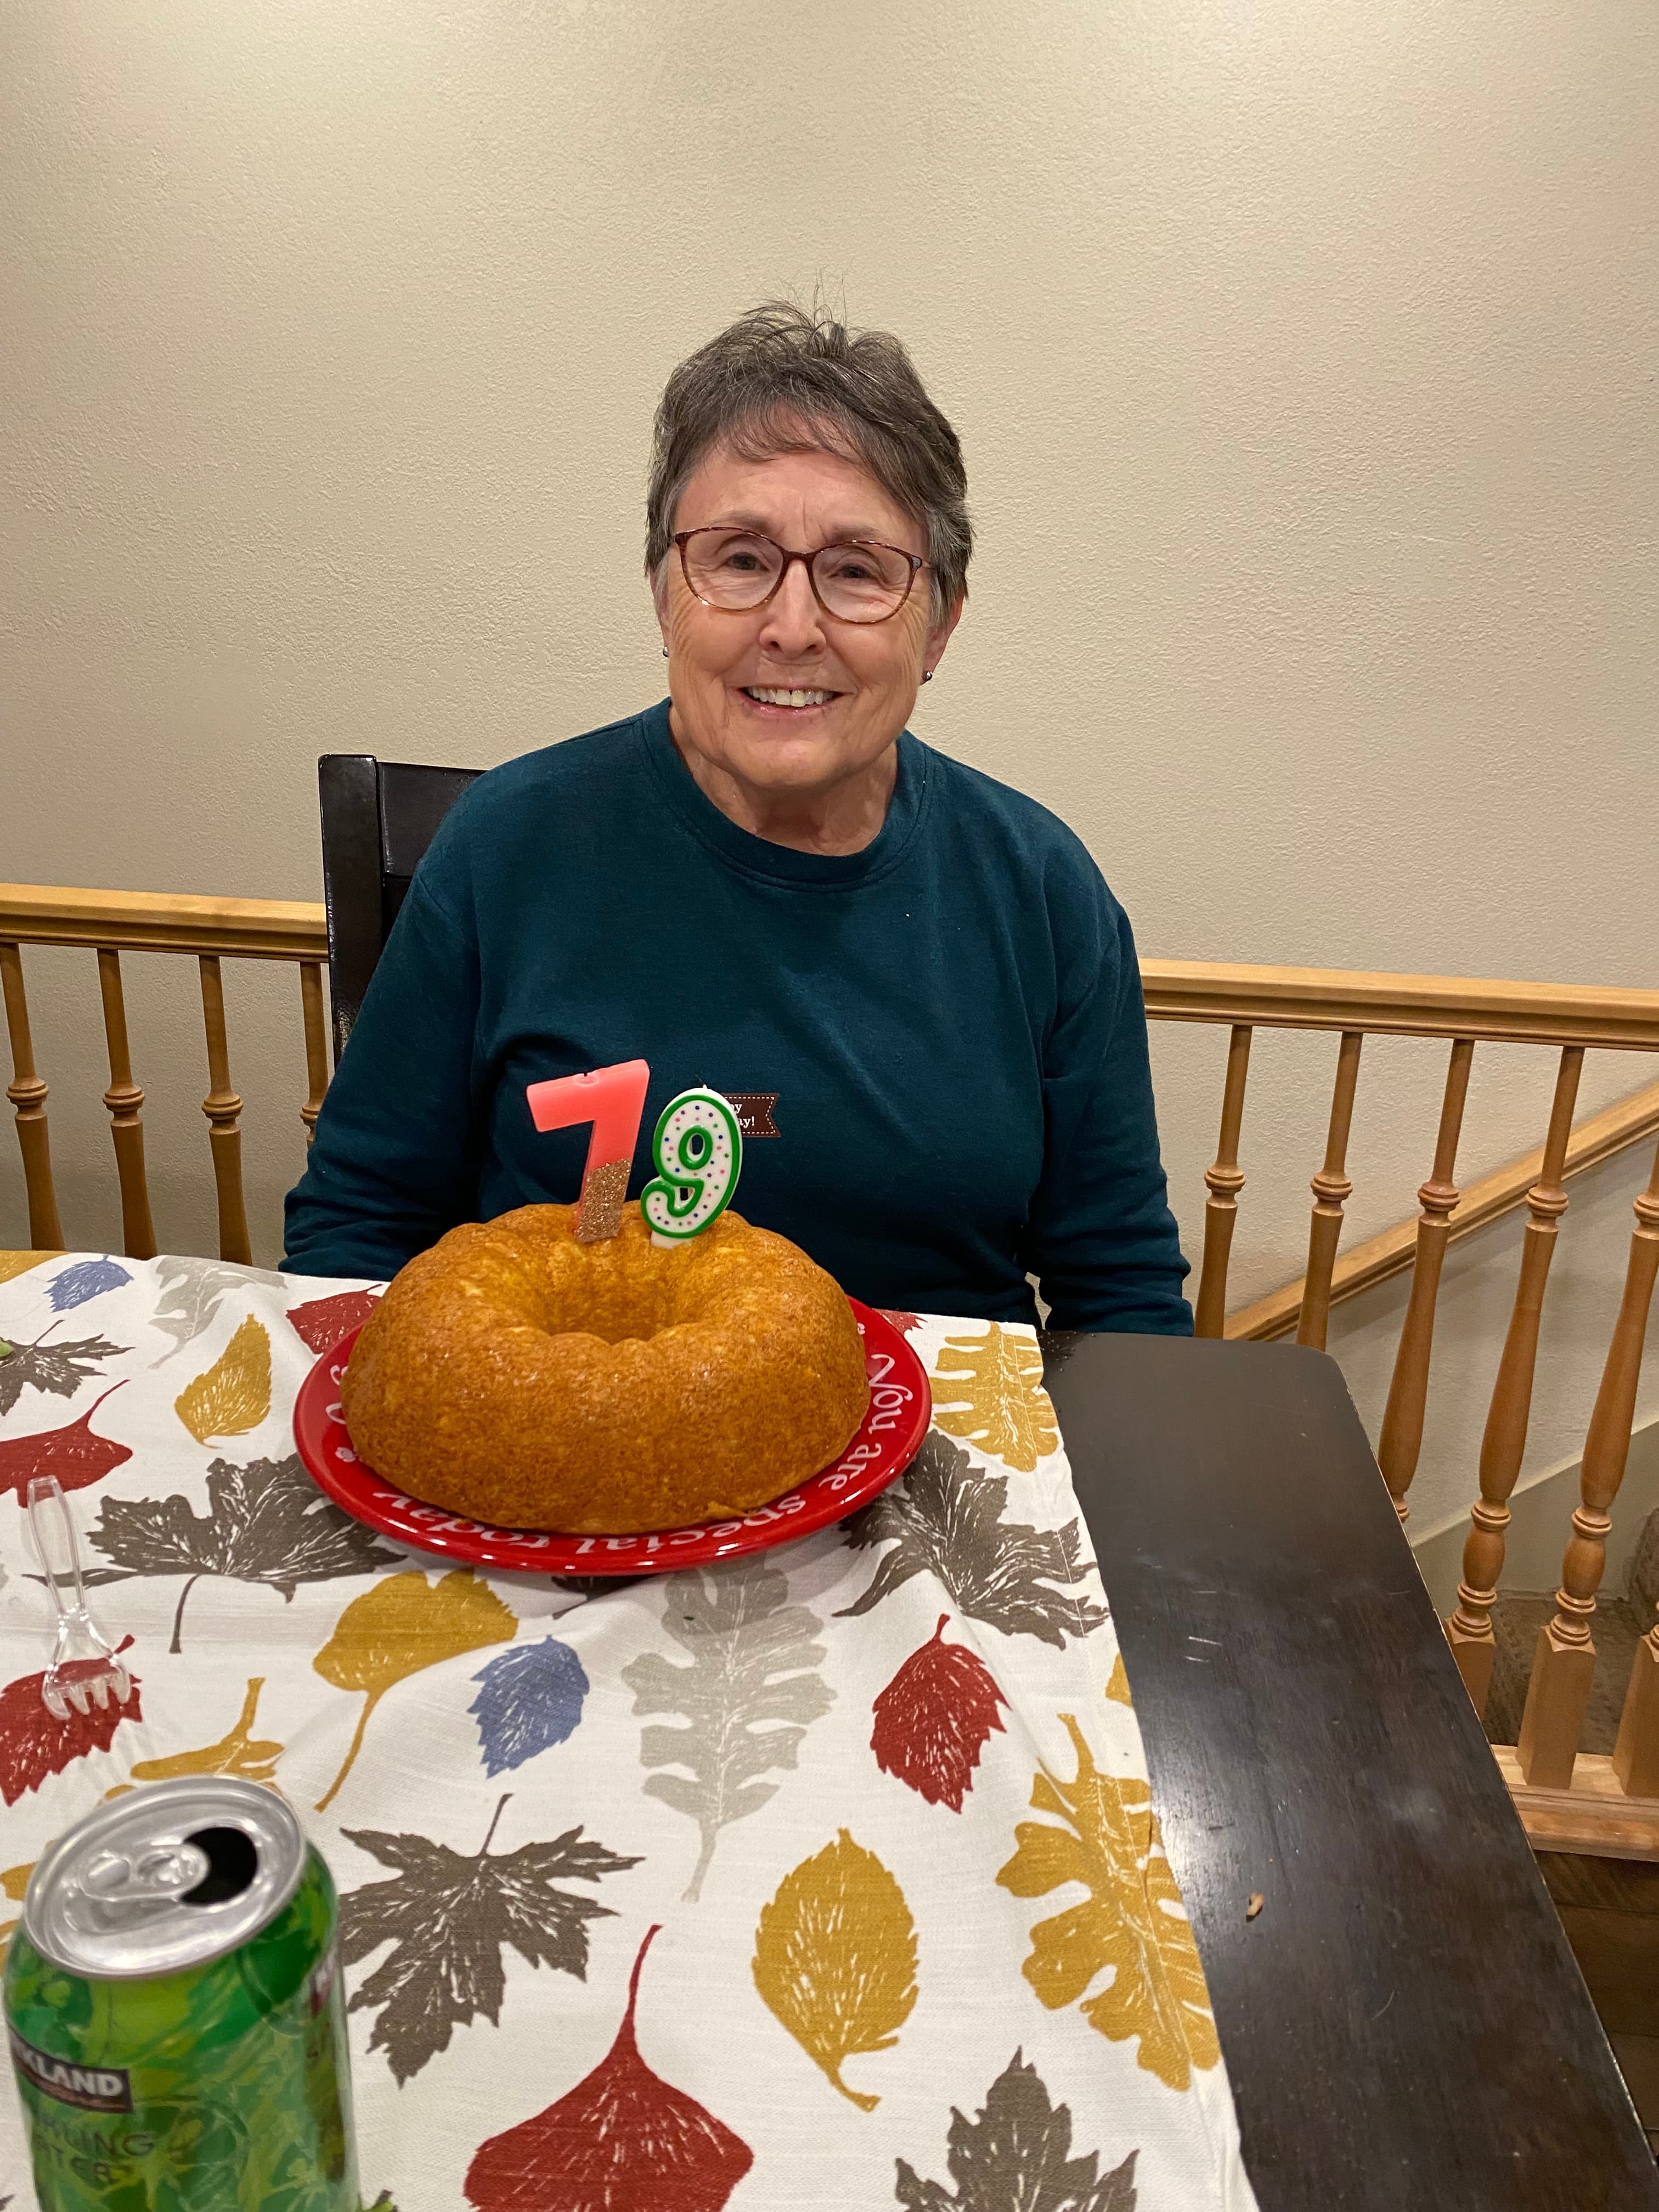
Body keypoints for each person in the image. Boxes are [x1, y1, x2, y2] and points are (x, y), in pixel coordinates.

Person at [284, 303, 1191, 1333]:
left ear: (939, 625)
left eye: (857, 571)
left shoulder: (1042, 888)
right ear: (666, 593)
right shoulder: (506, 845)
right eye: (741, 560)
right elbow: (355, 1231)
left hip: (939, 1455)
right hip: (565, 1434)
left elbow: (1118, 1290)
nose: (792, 627)